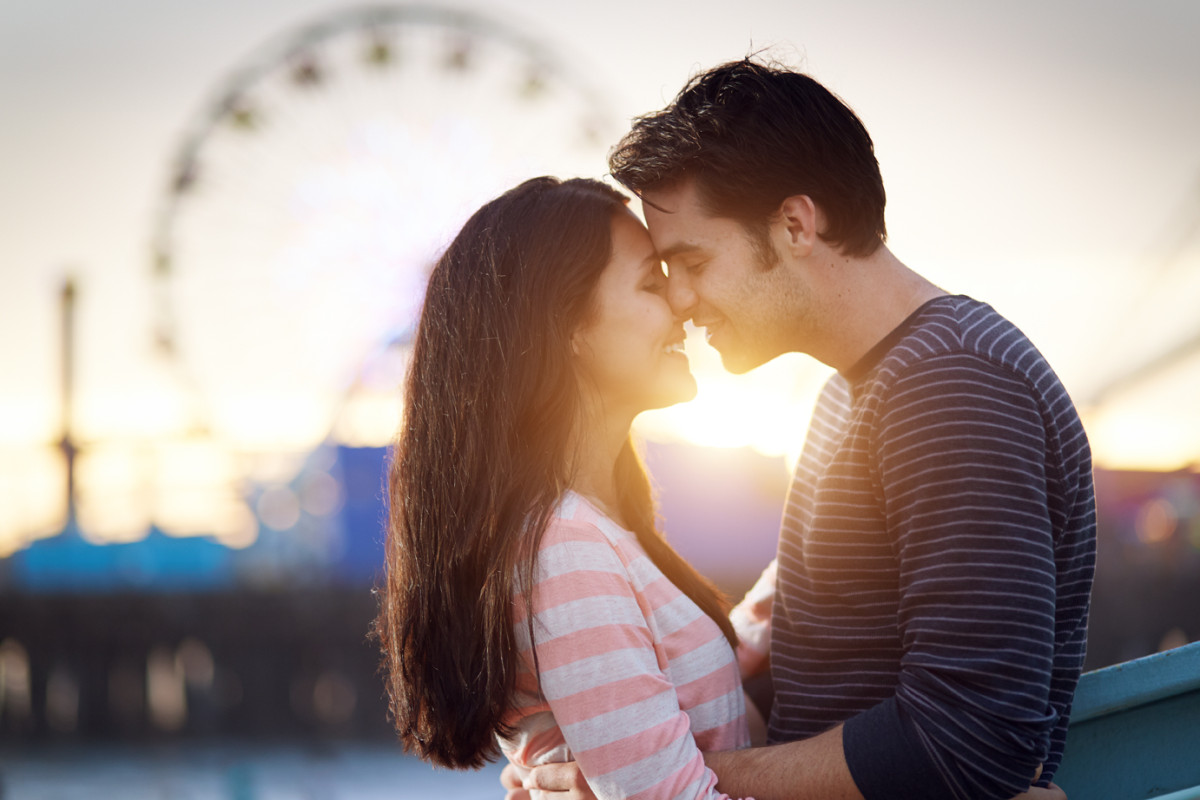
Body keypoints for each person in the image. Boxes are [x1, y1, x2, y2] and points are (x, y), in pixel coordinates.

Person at [504, 58, 1095, 800]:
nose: (681, 301)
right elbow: (820, 675)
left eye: (690, 261)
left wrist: (658, 783)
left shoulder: (952, 386)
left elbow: (969, 738)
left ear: (794, 224)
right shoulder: (860, 394)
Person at [375, 176, 774, 799]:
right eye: (651, 282)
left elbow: (675, 670)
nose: (681, 300)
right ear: (568, 329)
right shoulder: (564, 549)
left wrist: (822, 542)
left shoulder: (595, 529)